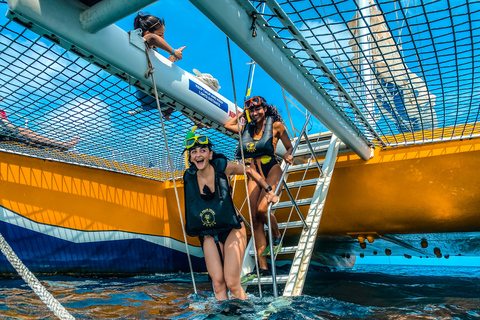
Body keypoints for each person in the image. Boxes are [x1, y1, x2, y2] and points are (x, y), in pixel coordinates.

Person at [183, 132, 278, 300]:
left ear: (210, 154)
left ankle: (246, 315)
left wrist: (269, 191)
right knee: (218, 284)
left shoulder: (223, 167)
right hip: (209, 234)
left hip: (232, 227)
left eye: (203, 150)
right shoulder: (189, 177)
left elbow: (249, 170)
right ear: (190, 157)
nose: (198, 154)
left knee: (232, 283)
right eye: (194, 151)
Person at [224, 96, 293, 280]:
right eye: (251, 111)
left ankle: (277, 234)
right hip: (252, 173)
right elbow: (227, 125)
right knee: (255, 220)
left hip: (271, 168)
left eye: (258, 109)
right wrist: (242, 113)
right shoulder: (246, 128)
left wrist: (287, 155)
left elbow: (290, 146)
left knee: (263, 209)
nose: (255, 113)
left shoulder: (276, 125)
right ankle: (262, 267)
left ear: (265, 108)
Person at [127, 12, 185, 118]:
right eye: (160, 35)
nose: (163, 38)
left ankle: (167, 111)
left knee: (180, 98)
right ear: (147, 32)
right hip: (148, 92)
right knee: (184, 93)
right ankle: (195, 119)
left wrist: (170, 60)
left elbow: (156, 71)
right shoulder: (142, 42)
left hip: (147, 95)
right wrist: (173, 52)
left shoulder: (152, 52)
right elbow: (152, 38)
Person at [0, 107, 79, 151]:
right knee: (26, 133)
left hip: (5, 133)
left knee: (28, 141)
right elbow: (8, 125)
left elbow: (7, 124)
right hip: (5, 131)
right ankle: (62, 145)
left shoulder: (2, 111)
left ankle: (55, 148)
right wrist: (14, 130)